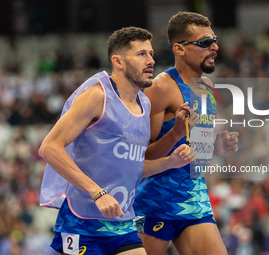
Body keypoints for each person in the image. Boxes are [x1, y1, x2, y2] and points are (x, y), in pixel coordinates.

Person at [39, 27, 195, 255]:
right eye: (141, 54)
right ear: (118, 61)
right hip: (83, 223)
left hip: (122, 223)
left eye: (151, 54)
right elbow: (49, 148)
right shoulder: (97, 96)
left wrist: (169, 162)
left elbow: (130, 166)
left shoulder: (145, 104)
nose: (151, 60)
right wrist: (97, 192)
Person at [134, 12, 239, 255]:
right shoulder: (160, 87)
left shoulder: (207, 88)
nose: (214, 47)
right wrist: (174, 135)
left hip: (193, 199)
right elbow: (139, 157)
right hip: (154, 202)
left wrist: (216, 147)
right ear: (179, 49)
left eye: (214, 40)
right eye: (204, 43)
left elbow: (195, 151)